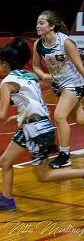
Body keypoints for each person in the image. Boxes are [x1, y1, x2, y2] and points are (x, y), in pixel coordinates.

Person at [0, 37, 84, 211]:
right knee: (5, 161)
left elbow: (0, 115)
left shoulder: (7, 83)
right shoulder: (30, 75)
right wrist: (20, 117)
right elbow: (31, 101)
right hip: (37, 126)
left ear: (5, 63)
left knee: (43, 176)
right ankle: (6, 199)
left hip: (35, 130)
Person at [32, 10, 84, 169]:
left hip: (74, 83)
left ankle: (64, 155)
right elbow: (35, 66)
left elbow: (79, 66)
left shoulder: (65, 42)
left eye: (42, 23)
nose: (37, 25)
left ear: (52, 26)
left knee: (60, 116)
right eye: (37, 22)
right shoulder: (38, 44)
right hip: (59, 85)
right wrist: (43, 75)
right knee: (80, 119)